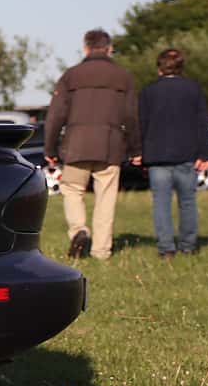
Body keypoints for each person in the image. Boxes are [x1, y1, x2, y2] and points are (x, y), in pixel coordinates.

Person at [44, 27, 139, 261]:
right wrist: (136, 149)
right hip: (110, 146)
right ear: (109, 49)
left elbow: (56, 115)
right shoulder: (123, 77)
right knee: (105, 199)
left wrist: (50, 148)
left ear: (85, 48)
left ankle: (79, 230)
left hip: (76, 145)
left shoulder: (70, 76)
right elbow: (132, 116)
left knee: (72, 190)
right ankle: (101, 251)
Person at [137, 47, 208, 258]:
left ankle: (166, 247)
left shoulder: (148, 91)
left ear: (159, 68)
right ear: (181, 67)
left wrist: (139, 153)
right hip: (186, 154)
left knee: (161, 203)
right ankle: (188, 245)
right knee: (187, 202)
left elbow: (141, 124)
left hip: (157, 156)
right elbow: (202, 123)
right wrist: (205, 154)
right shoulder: (193, 89)